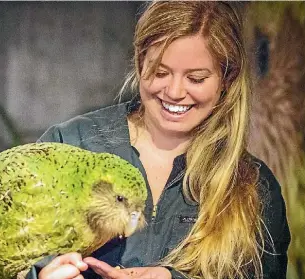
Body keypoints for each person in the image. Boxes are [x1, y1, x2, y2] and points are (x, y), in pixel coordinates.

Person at [32, 2, 290, 279]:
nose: (175, 92)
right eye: (160, 72)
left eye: (196, 78)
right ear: (140, 61)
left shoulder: (254, 186)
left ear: (226, 79)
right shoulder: (70, 145)